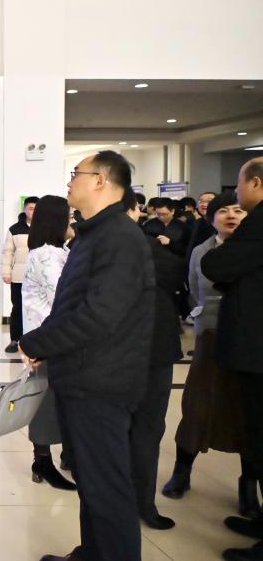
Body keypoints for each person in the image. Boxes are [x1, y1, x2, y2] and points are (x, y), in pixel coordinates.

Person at [19, 151, 154, 561]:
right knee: (91, 481)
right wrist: (46, 344)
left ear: (101, 181)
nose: (70, 180)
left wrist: (38, 343)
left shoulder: (119, 238)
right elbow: (71, 305)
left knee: (107, 487)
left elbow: (98, 315)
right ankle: (92, 553)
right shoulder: (93, 234)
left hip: (102, 383)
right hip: (81, 376)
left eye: (77, 173)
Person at [163, 193, 258, 518]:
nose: (231, 215)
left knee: (248, 413)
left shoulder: (253, 249)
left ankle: (249, 485)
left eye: (238, 210)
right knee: (198, 404)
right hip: (212, 335)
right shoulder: (203, 251)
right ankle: (182, 471)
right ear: (212, 218)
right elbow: (193, 289)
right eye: (223, 211)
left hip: (249, 341)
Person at [201, 158, 263, 561]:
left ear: (255, 183)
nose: (236, 196)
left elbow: (216, 264)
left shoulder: (259, 222)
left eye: (239, 187)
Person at [124, 187, 185, 531]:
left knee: (146, 428)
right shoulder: (146, 245)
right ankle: (132, 503)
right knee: (131, 429)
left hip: (153, 349)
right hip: (117, 353)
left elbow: (179, 275)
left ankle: (141, 502)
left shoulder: (144, 244)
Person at [19, 195, 76, 492]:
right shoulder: (48, 255)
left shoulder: (50, 251)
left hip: (46, 337)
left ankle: (58, 457)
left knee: (52, 399)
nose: (72, 221)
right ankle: (42, 462)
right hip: (49, 340)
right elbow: (61, 297)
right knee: (45, 401)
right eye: (69, 216)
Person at [2, 196, 39, 353]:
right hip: (19, 277)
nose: (33, 212)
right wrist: (6, 272)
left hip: (38, 278)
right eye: (31, 208)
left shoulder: (44, 228)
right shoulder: (14, 229)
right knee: (17, 308)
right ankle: (14, 341)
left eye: (37, 209)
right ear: (24, 209)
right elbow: (7, 253)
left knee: (36, 309)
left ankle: (33, 341)